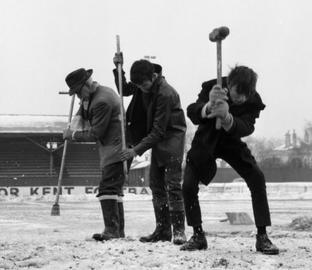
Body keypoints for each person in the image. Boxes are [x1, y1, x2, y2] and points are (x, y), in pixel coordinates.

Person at [180, 65, 279, 255]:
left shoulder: (253, 100)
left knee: (257, 178)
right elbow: (192, 111)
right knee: (188, 186)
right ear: (230, 83)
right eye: (237, 92)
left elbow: (246, 127)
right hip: (206, 140)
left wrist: (227, 117)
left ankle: (262, 236)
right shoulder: (213, 87)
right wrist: (208, 106)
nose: (241, 98)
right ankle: (198, 235)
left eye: (245, 94)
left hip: (231, 142)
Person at [113, 55, 188, 245]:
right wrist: (118, 68)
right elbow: (125, 90)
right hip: (157, 141)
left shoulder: (165, 93)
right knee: (156, 185)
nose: (141, 89)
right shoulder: (143, 85)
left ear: (153, 77)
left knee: (173, 186)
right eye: (139, 86)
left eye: (144, 85)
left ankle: (179, 231)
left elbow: (158, 130)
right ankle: (163, 230)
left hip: (172, 140)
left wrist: (135, 151)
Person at [63, 68, 126, 241]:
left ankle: (112, 230)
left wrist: (73, 135)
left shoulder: (102, 101)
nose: (77, 96)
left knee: (107, 188)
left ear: (86, 85)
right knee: (114, 189)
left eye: (77, 92)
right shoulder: (91, 96)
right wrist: (74, 123)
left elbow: (95, 133)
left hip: (117, 149)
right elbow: (83, 112)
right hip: (110, 149)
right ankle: (118, 231)